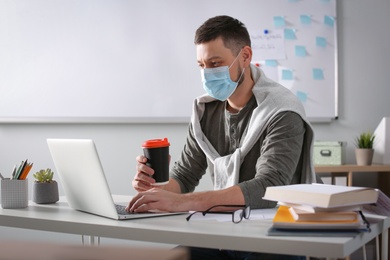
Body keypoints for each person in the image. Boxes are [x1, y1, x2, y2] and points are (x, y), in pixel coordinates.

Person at [127, 15, 318, 259]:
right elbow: (185, 176)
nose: (207, 73)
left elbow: (269, 187)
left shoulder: (282, 110)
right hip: (224, 234)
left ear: (245, 56)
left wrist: (182, 202)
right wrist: (157, 191)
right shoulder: (205, 112)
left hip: (274, 238)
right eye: (201, 65)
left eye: (215, 63)